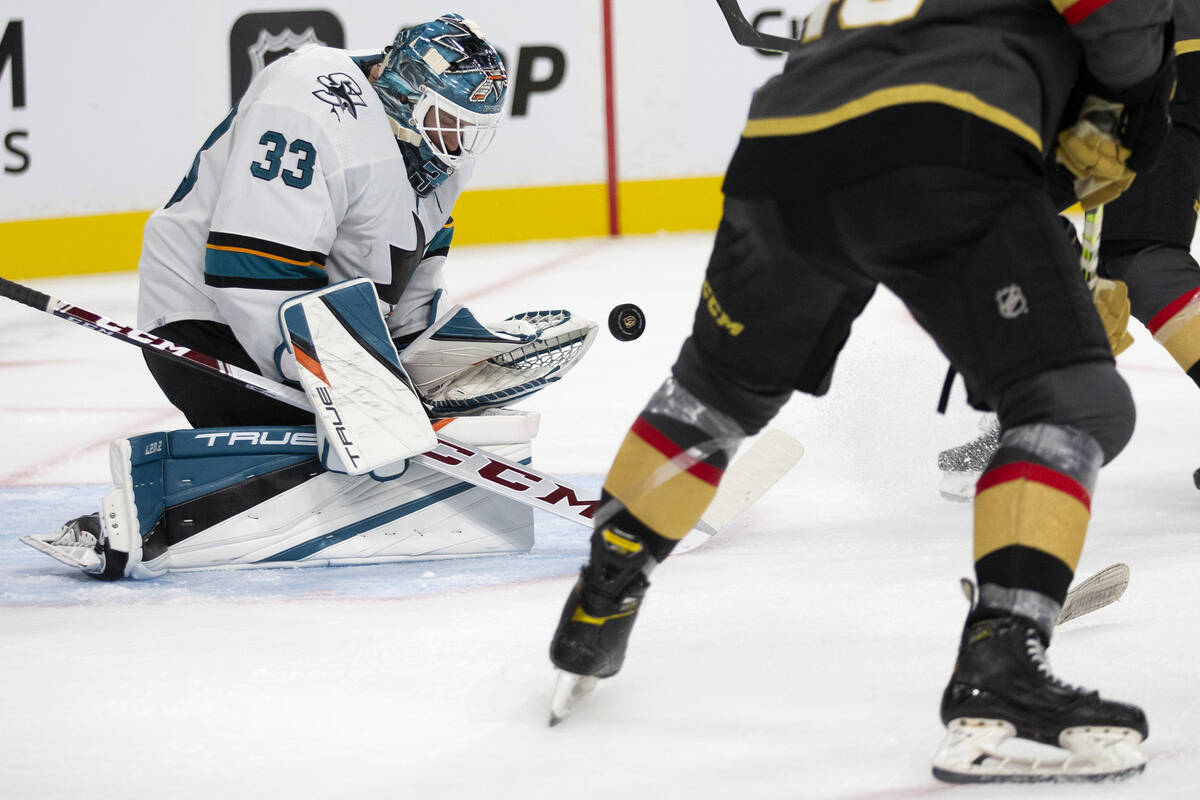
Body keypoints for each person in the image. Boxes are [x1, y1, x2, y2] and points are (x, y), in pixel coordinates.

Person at [546, 0, 1174, 784]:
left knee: (714, 391)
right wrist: (1136, 94)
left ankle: (600, 601)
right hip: (945, 139)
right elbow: (1119, 18)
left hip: (783, 154)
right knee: (1074, 402)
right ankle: (1002, 673)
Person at [24, 13, 598, 581]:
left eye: (473, 128)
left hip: (315, 333)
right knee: (345, 450)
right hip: (208, 323)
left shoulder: (435, 153)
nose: (459, 145)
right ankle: (155, 509)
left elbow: (411, 278)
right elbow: (248, 270)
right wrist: (343, 389)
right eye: (449, 122)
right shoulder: (308, 103)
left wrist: (416, 370)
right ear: (402, 92)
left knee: (376, 445)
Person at [939, 1, 1200, 501]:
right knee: (1006, 220)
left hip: (1155, 60)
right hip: (1125, 57)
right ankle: (1035, 410)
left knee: (1140, 256)